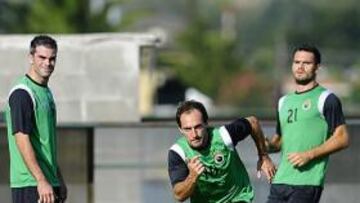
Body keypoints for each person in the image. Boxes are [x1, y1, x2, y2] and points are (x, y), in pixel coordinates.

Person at [266, 44, 349, 203]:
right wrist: (265, 145)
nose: (300, 67)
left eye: (307, 63)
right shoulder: (283, 102)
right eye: (297, 62)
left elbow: (342, 138)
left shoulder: (327, 99)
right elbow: (279, 141)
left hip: (306, 183)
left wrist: (309, 155)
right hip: (280, 180)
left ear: (317, 67)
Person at [167, 100, 276, 203]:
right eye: (187, 129)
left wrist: (263, 156)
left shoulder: (224, 136)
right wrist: (192, 176)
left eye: (198, 127)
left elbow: (253, 122)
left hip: (238, 198)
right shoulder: (178, 153)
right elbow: (179, 195)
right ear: (180, 129)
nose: (194, 134)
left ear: (206, 123)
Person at [5, 35, 67, 203]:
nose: (47, 63)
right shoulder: (22, 93)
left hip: (47, 182)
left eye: (52, 58)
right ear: (30, 57)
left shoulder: (46, 92)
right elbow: (21, 138)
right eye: (42, 57)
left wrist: (57, 177)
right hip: (30, 184)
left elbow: (46, 144)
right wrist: (41, 180)